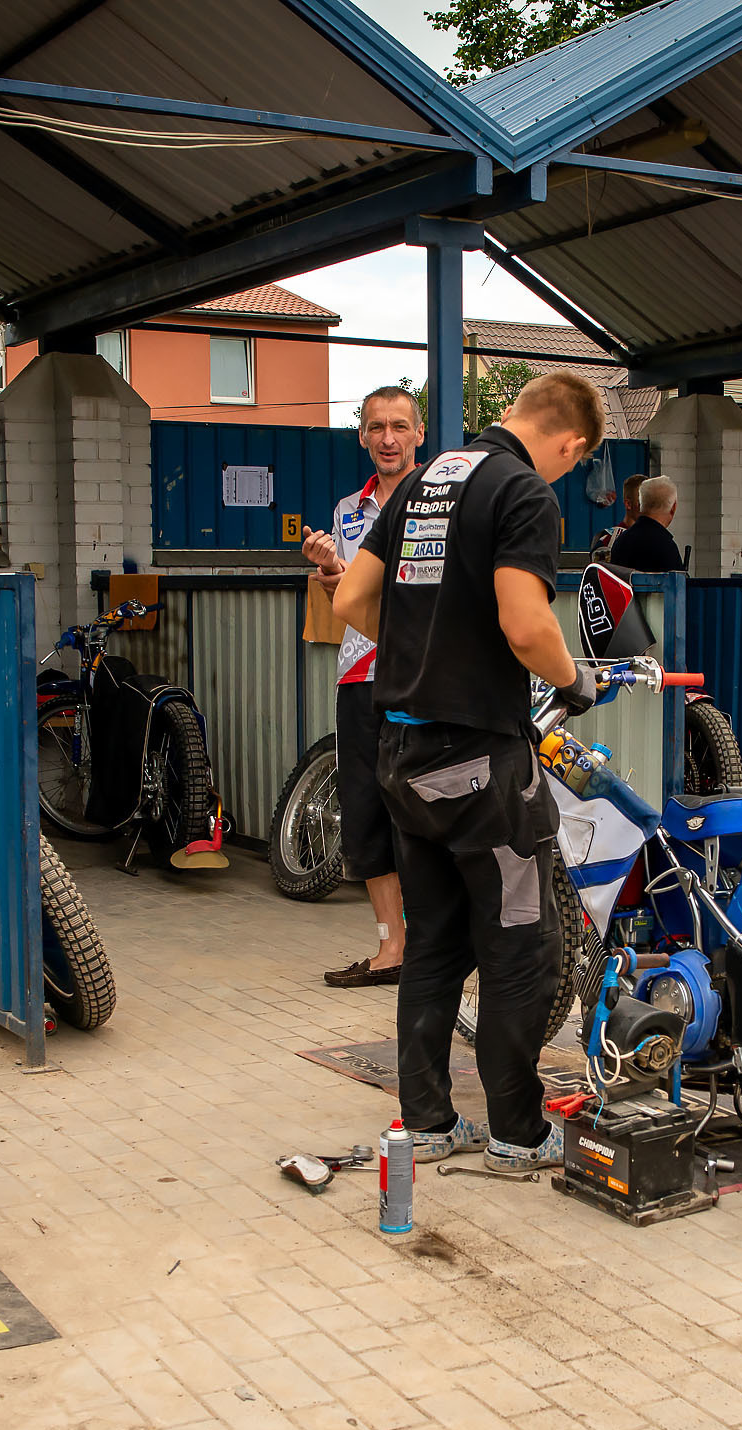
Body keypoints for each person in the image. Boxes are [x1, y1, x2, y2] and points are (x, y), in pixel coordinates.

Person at [333, 371, 605, 1173]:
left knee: (435, 942)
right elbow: (526, 623)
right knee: (523, 946)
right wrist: (572, 679)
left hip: (401, 758)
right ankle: (517, 1133)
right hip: (480, 766)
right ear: (571, 443)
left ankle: (427, 1121)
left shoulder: (423, 481)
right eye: (571, 462)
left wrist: (426, 644)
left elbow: (351, 599)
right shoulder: (523, 492)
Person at [300, 386, 425, 988]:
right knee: (368, 810)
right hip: (359, 675)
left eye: (399, 426)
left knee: (425, 811)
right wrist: (329, 568)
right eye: (377, 427)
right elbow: (346, 594)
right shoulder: (349, 509)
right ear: (362, 437)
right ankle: (390, 946)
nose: (388, 438)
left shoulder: (440, 501)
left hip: (420, 674)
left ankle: (435, 945)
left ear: (419, 434)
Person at [604, 474, 685, 575]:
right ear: (673, 508)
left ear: (641, 504)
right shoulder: (666, 547)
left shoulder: (620, 542)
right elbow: (678, 584)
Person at [588, 473, 646, 561]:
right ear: (628, 504)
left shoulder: (655, 539)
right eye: (643, 504)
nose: (650, 509)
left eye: (653, 504)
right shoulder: (610, 541)